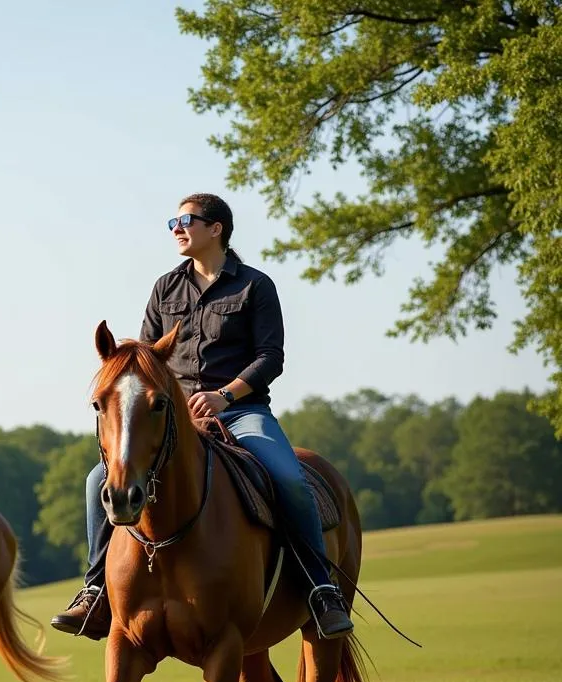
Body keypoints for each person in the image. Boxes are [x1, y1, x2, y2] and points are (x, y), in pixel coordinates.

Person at [50, 193, 354, 642]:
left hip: (242, 412)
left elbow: (271, 357)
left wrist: (225, 397)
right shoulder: (164, 288)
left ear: (217, 229)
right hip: (172, 420)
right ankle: (95, 591)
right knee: (97, 480)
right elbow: (146, 360)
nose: (177, 227)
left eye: (187, 220)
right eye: (173, 220)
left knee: (288, 477)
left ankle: (320, 589)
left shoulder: (255, 285)